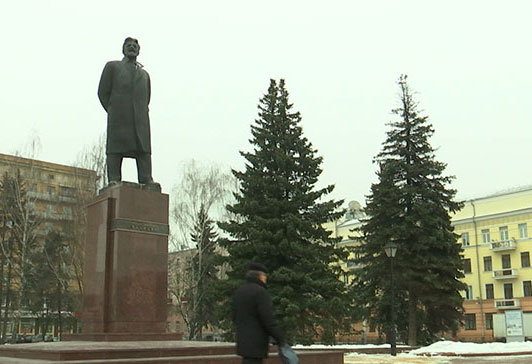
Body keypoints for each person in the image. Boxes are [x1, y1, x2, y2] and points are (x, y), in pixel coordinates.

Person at [98, 37, 155, 185]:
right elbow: (103, 93)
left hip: (141, 122)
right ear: (123, 49)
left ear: (139, 50)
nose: (132, 47)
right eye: (128, 45)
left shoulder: (145, 75)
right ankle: (114, 179)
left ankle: (146, 179)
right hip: (119, 119)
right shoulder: (113, 67)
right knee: (115, 150)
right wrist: (113, 110)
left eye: (135, 46)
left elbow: (146, 99)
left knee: (143, 151)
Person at [232, 262, 285, 364]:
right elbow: (268, 319)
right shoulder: (261, 292)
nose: (266, 279)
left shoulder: (239, 291)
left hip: (243, 342)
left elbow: (234, 316)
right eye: (265, 276)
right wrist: (280, 338)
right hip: (257, 343)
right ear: (260, 276)